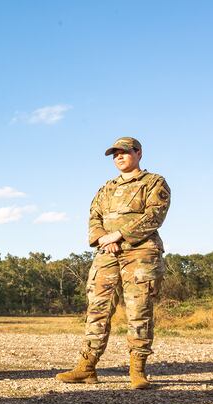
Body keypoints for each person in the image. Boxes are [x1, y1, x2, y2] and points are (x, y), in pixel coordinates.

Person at [56, 137, 170, 389]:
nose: (119, 157)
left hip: (140, 253)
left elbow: (155, 215)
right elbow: (94, 216)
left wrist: (119, 235)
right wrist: (102, 239)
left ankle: (137, 370)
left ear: (138, 153)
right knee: (97, 308)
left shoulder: (153, 182)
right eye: (115, 154)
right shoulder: (106, 188)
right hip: (106, 253)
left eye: (124, 152)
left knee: (139, 310)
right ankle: (87, 367)